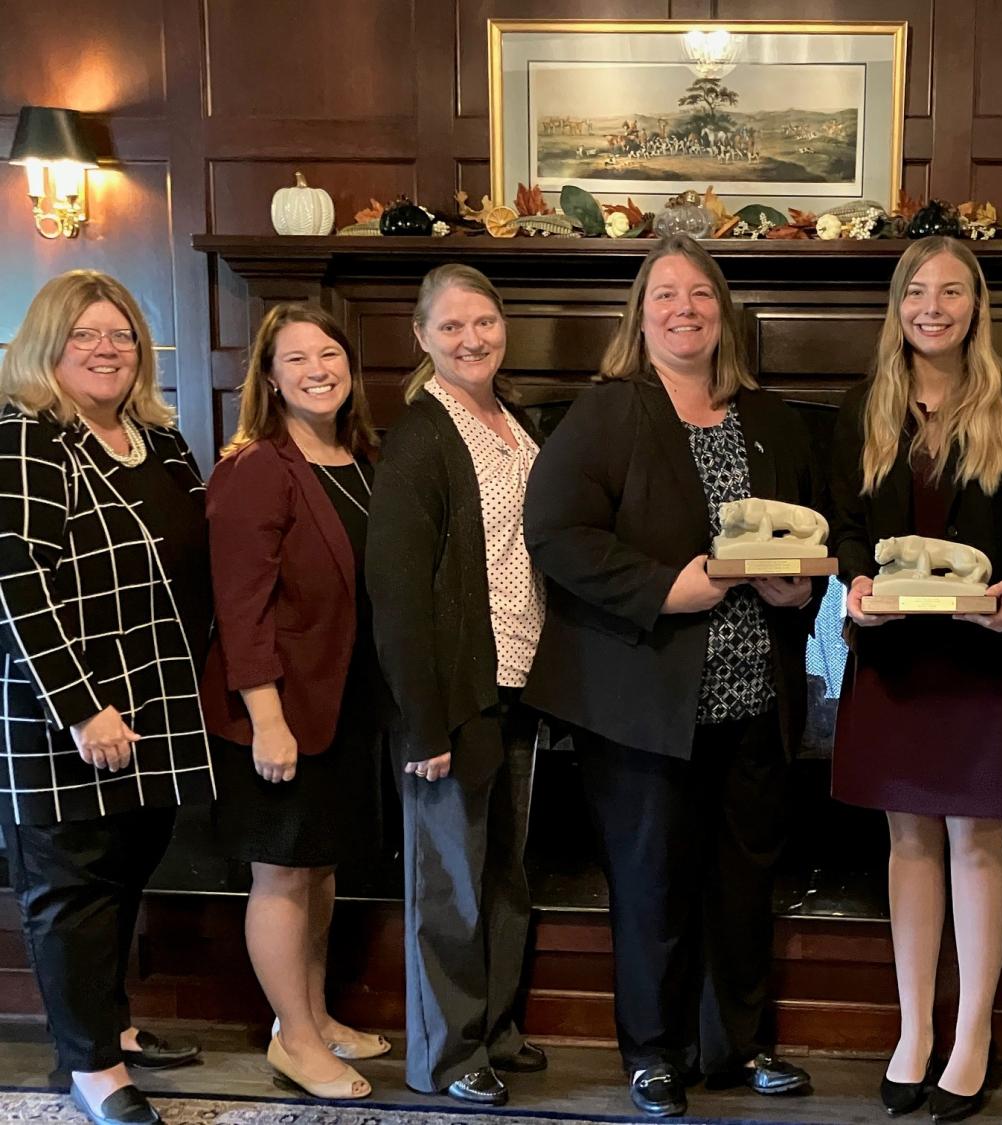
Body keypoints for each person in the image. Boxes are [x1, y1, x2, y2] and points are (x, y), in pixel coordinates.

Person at [523, 234, 820, 1118]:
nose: (683, 307)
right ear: (639, 313)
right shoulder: (609, 412)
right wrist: (669, 588)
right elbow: (557, 534)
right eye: (665, 294)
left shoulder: (769, 419)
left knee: (741, 880)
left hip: (755, 696)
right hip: (642, 699)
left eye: (699, 293)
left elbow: (810, 534)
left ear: (723, 312)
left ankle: (738, 1044)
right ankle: (653, 1051)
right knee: (652, 878)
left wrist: (798, 582)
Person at [828, 236, 1002, 1123]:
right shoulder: (865, 407)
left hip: (987, 658)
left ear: (977, 305)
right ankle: (913, 1031)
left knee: (978, 844)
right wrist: (853, 583)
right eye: (917, 291)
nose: (933, 306)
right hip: (897, 657)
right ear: (896, 305)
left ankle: (972, 1034)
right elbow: (848, 528)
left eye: (952, 291)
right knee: (908, 842)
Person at [0, 271, 214, 1125]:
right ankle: (90, 1067)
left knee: (126, 869)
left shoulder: (159, 442)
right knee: (73, 887)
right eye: (85, 334)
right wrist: (83, 707)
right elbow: (18, 580)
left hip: (158, 699)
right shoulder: (28, 439)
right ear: (47, 346)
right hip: (69, 712)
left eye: (120, 334)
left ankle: (111, 1023)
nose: (105, 349)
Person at [366, 264, 548, 1106]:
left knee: (504, 876)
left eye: (483, 322)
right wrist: (423, 724)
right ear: (422, 337)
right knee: (451, 884)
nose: (471, 339)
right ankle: (443, 1055)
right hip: (454, 690)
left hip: (519, 679)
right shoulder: (421, 433)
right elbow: (396, 589)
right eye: (451, 328)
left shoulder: (511, 420)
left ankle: (493, 1027)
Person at [199, 304, 387, 1099]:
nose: (318, 368)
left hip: (341, 706)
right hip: (275, 713)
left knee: (317, 871)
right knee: (280, 875)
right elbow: (238, 607)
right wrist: (268, 718)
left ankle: (309, 1014)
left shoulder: (358, 455)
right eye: (297, 357)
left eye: (330, 352)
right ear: (269, 378)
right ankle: (297, 1042)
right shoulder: (257, 468)